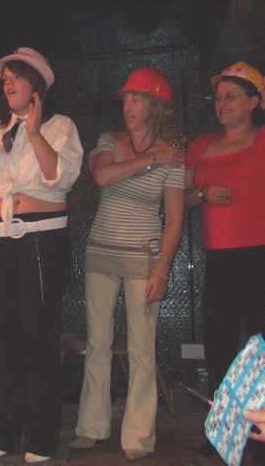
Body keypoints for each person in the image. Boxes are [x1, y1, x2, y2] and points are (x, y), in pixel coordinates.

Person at [0, 47, 83, 463]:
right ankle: (4, 432)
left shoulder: (60, 126)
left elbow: (58, 176)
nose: (7, 84)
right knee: (2, 337)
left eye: (16, 78)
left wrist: (36, 129)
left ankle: (42, 437)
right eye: (4, 80)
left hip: (42, 239)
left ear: (37, 84)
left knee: (39, 337)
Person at [70, 67, 185, 461]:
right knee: (98, 343)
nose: (128, 107)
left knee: (141, 349)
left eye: (136, 99)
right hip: (101, 252)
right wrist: (152, 158)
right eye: (126, 100)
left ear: (154, 106)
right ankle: (92, 426)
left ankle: (138, 435)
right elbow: (103, 175)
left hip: (145, 258)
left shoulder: (175, 158)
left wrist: (163, 270)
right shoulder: (111, 141)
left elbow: (175, 220)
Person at [184, 62, 264, 408]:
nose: (222, 103)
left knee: (260, 346)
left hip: (260, 254)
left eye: (231, 96)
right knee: (219, 344)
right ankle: (222, 431)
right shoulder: (200, 145)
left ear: (253, 101)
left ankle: (260, 436)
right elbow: (177, 198)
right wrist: (202, 194)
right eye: (218, 97)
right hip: (220, 257)